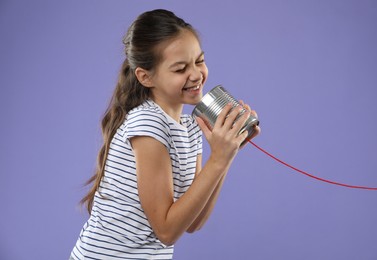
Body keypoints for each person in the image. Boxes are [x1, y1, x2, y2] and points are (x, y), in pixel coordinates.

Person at [70, 9, 260, 260]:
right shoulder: (147, 124)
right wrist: (218, 160)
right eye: (180, 69)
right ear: (146, 76)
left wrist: (226, 153)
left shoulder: (191, 127)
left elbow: (192, 223)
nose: (196, 74)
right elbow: (167, 230)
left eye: (199, 61)